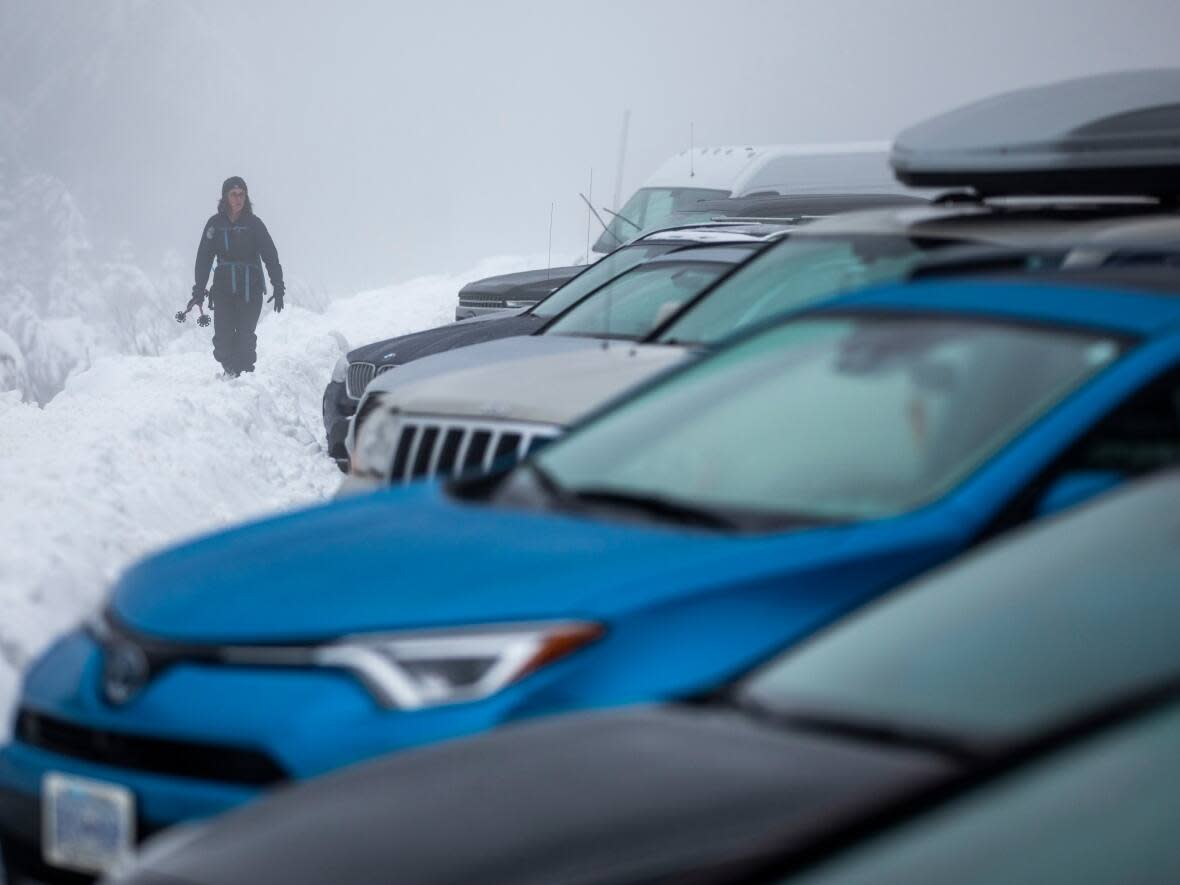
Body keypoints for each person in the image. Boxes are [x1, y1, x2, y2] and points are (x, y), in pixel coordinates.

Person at [189, 176, 285, 376]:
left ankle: (243, 379)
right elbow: (204, 259)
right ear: (225, 197)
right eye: (233, 194)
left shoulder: (254, 224)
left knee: (245, 338)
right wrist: (199, 290)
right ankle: (232, 371)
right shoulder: (214, 225)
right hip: (223, 290)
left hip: (250, 289)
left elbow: (270, 254)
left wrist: (278, 285)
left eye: (242, 194)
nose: (238, 199)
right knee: (222, 341)